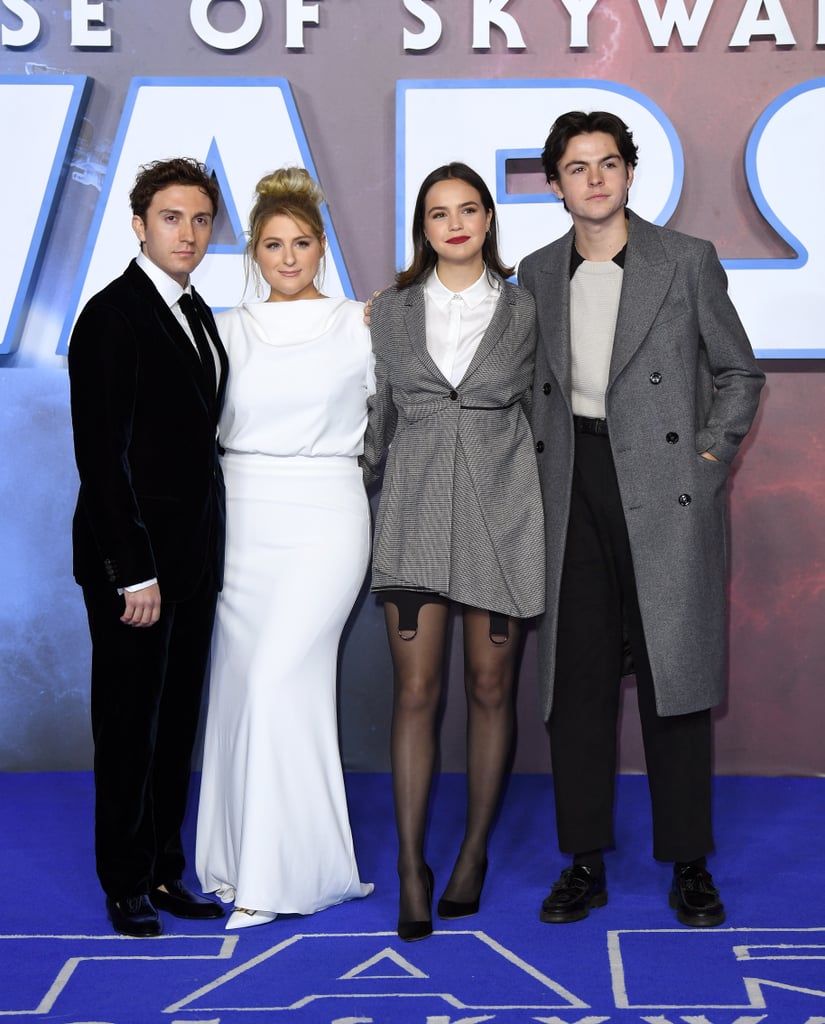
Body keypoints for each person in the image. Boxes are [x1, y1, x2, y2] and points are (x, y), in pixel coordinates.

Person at [519, 111, 765, 927]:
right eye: (576, 166)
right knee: (577, 682)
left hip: (665, 489)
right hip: (570, 489)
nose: (594, 178)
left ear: (629, 174)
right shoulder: (535, 272)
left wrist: (707, 456)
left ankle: (688, 864)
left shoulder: (684, 260)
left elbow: (737, 370)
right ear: (554, 184)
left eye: (608, 163)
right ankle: (583, 860)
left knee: (675, 680)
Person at [362, 162, 544, 941]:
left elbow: (549, 412)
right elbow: (376, 418)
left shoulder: (526, 310)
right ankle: (411, 866)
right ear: (422, 228)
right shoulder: (391, 313)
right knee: (415, 692)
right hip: (413, 517)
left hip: (503, 515)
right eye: (439, 213)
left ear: (487, 220)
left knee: (490, 687)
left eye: (468, 209)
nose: (455, 224)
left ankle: (472, 852)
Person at [195, 167, 374, 931]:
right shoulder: (222, 328)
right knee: (241, 687)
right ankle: (238, 862)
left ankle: (279, 878)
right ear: (254, 253)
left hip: (327, 515)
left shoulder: (361, 323)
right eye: (273, 244)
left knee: (276, 680)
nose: (289, 256)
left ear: (321, 246)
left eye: (302, 242)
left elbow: (411, 416)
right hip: (239, 521)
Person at [68, 157, 229, 937]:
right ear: (139, 224)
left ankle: (165, 871)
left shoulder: (193, 309)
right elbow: (101, 457)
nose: (188, 233)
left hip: (192, 562)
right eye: (172, 218)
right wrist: (133, 571)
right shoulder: (112, 315)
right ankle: (125, 880)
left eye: (201, 220)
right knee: (129, 723)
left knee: (173, 726)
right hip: (134, 568)